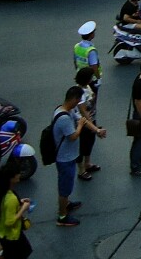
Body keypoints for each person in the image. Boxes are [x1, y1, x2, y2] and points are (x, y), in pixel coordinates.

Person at [52, 86, 87, 226]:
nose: (78, 103)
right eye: (77, 100)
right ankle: (62, 216)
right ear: (73, 99)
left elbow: (80, 118)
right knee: (64, 188)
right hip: (64, 158)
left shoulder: (63, 110)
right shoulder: (64, 119)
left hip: (68, 156)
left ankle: (66, 203)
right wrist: (80, 125)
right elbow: (73, 136)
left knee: (67, 184)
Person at [0, 161, 33, 259]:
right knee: (23, 253)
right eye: (17, 173)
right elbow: (9, 222)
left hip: (0, 231)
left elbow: (3, 206)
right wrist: (23, 208)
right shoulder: (11, 198)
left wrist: (19, 202)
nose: (19, 175)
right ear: (11, 178)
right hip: (11, 235)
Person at [72, 22, 102, 109]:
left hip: (80, 76)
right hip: (90, 79)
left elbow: (75, 61)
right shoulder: (91, 50)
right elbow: (94, 67)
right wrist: (98, 79)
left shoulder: (77, 46)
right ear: (91, 35)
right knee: (91, 100)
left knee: (81, 97)